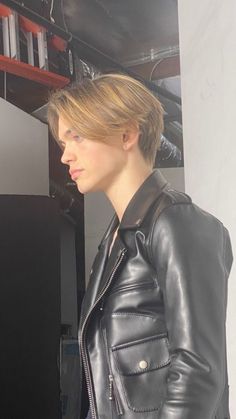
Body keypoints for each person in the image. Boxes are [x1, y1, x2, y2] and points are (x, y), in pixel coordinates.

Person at [47, 73, 233, 419]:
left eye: (78, 137)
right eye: (62, 143)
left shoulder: (177, 224)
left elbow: (199, 373)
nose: (65, 156)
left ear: (127, 134)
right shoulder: (115, 241)